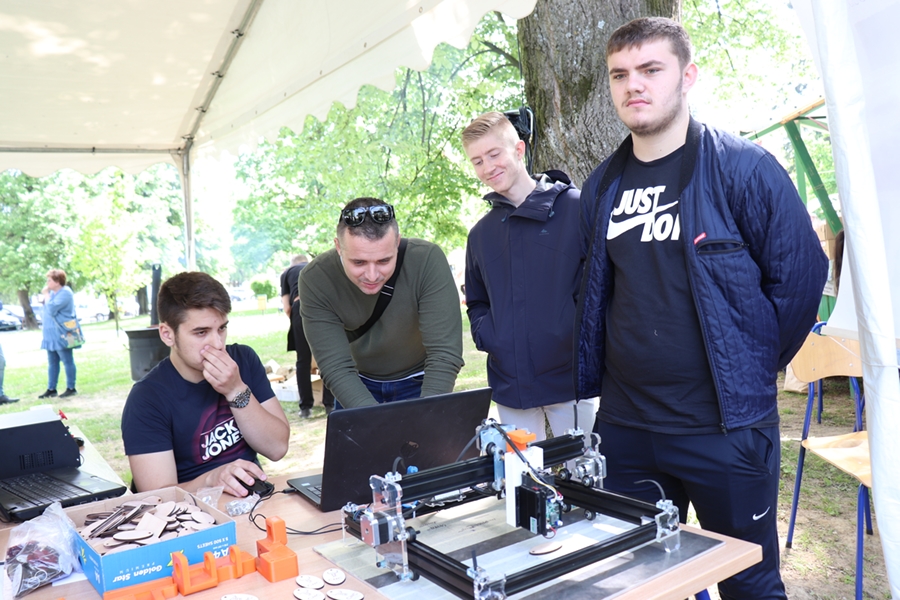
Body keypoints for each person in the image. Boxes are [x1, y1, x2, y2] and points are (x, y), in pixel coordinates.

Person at [575, 18, 827, 600]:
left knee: (749, 586)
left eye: (650, 70)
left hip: (725, 430)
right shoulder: (601, 187)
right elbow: (592, 292)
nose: (633, 85)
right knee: (638, 584)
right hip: (627, 428)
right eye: (620, 74)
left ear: (687, 76)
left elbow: (799, 279)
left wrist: (752, 365)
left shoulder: (744, 169)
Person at [461, 112, 596, 440]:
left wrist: (572, 334)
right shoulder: (480, 235)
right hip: (510, 385)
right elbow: (477, 302)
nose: (487, 167)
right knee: (520, 471)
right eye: (477, 161)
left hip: (571, 379)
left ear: (519, 150)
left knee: (585, 468)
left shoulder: (576, 208)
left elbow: (600, 285)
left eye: (494, 154)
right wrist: (491, 337)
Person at [121, 271, 290, 497]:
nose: (218, 344)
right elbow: (156, 497)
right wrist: (211, 479)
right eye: (201, 332)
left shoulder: (243, 360)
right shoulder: (147, 398)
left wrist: (236, 390)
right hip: (191, 511)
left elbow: (277, 447)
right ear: (168, 335)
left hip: (253, 500)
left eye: (222, 328)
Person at [299, 197, 464, 408]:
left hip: (421, 381)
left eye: (384, 261)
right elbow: (335, 366)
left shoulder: (426, 260)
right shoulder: (316, 278)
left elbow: (444, 353)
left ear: (397, 243)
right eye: (359, 262)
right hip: (355, 385)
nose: (372, 275)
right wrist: (374, 419)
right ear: (338, 247)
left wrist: (426, 412)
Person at [280, 253, 335, 418]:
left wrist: (297, 321)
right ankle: (329, 405)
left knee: (303, 361)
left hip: (300, 306)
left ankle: (305, 408)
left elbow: (286, 307)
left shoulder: (287, 273)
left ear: (292, 264)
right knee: (326, 358)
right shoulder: (316, 267)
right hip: (324, 307)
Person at [38, 269, 79, 399]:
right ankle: (51, 388)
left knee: (67, 360)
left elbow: (51, 309)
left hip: (64, 332)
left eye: (50, 280)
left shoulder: (65, 292)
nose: (47, 283)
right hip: (51, 333)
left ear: (57, 281)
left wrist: (46, 294)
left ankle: (71, 387)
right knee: (52, 362)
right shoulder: (53, 294)